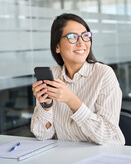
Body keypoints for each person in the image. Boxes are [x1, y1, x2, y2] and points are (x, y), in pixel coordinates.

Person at [31, 13, 125, 145]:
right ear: (57, 46)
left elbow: (105, 135)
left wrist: (71, 100)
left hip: (106, 155)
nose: (81, 43)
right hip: (68, 156)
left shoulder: (104, 74)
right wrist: (46, 107)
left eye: (85, 36)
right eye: (72, 37)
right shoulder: (52, 76)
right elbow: (42, 135)